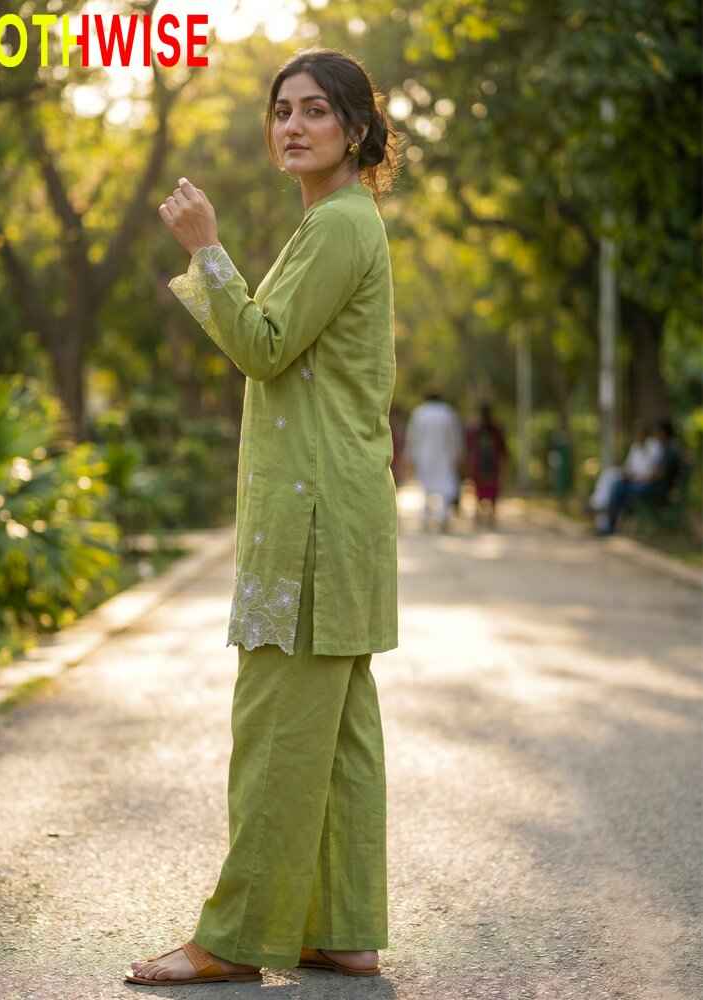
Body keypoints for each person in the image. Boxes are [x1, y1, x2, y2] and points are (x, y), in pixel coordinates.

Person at [126, 49, 402, 987]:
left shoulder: (336, 225)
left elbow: (265, 347)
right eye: (281, 109)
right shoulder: (340, 222)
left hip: (314, 522)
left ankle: (236, 941)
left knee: (278, 732)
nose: (292, 125)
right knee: (338, 736)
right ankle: (345, 927)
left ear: (356, 130)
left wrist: (206, 247)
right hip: (341, 512)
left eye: (316, 110)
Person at [599, 419, 683, 535]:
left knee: (621, 489)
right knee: (618, 485)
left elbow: (659, 474)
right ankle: (611, 522)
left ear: (664, 433)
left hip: (660, 489)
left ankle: (611, 523)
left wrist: (639, 478)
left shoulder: (670, 450)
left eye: (658, 432)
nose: (656, 435)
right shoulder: (668, 448)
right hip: (656, 486)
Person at [406, 389, 464, 532]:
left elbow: (412, 437)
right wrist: (457, 454)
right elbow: (455, 437)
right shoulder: (447, 413)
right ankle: (443, 517)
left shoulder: (419, 413)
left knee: (426, 488)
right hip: (444, 455)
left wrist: (409, 455)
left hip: (424, 456)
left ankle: (426, 519)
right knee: (445, 487)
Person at [588, 422, 661, 530]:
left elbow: (656, 471)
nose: (638, 436)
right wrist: (626, 474)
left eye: (640, 433)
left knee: (616, 487)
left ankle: (601, 514)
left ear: (646, 434)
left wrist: (640, 478)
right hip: (631, 478)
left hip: (643, 482)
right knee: (609, 475)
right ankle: (598, 506)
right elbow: (628, 467)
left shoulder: (654, 446)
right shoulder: (635, 447)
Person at [465, 403, 509, 527]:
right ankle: (491, 517)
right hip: (492, 465)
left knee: (479, 490)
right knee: (492, 490)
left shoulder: (475, 429)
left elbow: (470, 448)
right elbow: (503, 449)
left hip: (479, 464)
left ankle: (479, 515)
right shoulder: (496, 429)